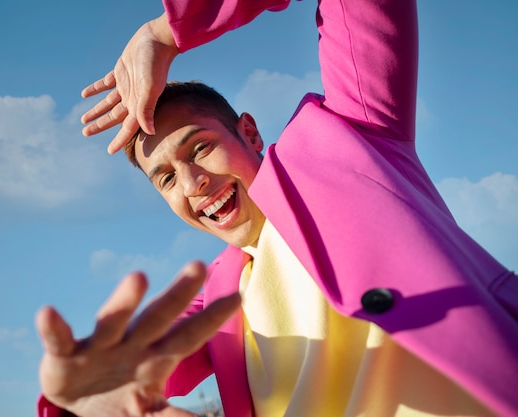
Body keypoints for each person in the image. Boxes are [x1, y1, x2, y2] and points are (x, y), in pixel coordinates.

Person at [36, 0, 518, 416]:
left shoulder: (352, 144)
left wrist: (167, 30)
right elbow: (125, 372)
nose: (193, 182)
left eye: (199, 149)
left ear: (248, 132)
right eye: (166, 178)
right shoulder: (214, 302)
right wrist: (77, 399)